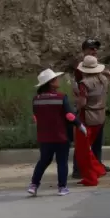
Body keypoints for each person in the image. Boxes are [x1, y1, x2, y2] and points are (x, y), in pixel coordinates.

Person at [28, 69, 85, 197]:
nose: (58, 80)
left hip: (44, 137)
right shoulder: (61, 97)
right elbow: (69, 115)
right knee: (62, 162)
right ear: (51, 83)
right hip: (61, 136)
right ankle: (62, 187)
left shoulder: (36, 99)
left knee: (43, 161)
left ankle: (34, 185)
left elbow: (36, 116)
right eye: (55, 79)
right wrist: (79, 125)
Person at [72, 38, 110, 177]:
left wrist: (106, 72)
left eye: (96, 48)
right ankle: (79, 168)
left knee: (95, 140)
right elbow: (83, 87)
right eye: (91, 48)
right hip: (87, 109)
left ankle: (96, 164)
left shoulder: (94, 65)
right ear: (84, 50)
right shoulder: (80, 68)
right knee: (83, 141)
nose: (94, 51)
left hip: (97, 110)